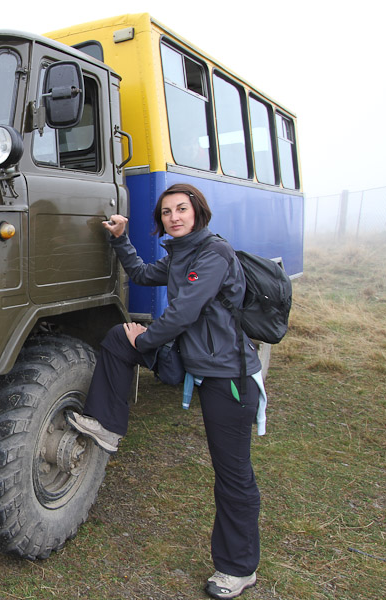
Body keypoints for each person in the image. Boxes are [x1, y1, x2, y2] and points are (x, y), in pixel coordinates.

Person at [67, 183, 264, 600]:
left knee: (233, 475)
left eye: (182, 209)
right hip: (191, 364)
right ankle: (107, 426)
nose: (174, 217)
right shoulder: (179, 255)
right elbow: (140, 274)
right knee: (118, 337)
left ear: (198, 212)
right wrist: (121, 238)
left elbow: (184, 310)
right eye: (166, 212)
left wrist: (147, 339)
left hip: (229, 377)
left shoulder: (214, 253)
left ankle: (237, 568)